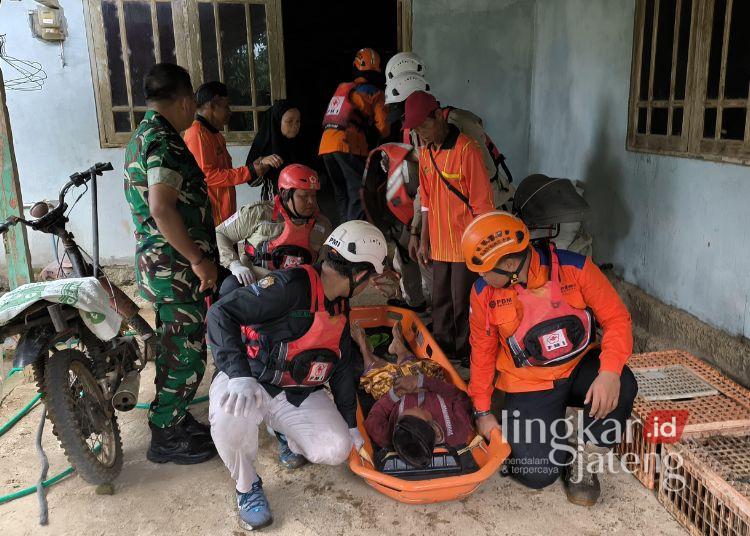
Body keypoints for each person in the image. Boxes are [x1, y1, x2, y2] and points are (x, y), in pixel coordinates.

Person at [206, 220, 387, 531]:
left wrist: (350, 424)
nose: (369, 285)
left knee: (335, 448)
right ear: (359, 275)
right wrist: (237, 374)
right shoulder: (290, 287)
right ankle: (247, 488)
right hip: (252, 380)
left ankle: (283, 433)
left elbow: (341, 366)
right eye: (370, 277)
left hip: (296, 390)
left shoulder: (340, 304)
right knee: (229, 418)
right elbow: (220, 313)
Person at [461, 211, 637, 506]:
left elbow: (618, 319)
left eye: (483, 271)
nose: (480, 278)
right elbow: (482, 350)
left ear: (509, 264)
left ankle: (586, 460)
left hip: (578, 366)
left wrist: (609, 373)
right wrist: (482, 411)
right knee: (535, 474)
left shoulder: (576, 268)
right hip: (527, 382)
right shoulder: (483, 294)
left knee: (624, 383)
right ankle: (548, 442)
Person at [123, 63, 217, 464]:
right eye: (192, 105)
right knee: (187, 350)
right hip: (176, 270)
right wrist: (197, 259)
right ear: (184, 101)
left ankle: (173, 419)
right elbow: (162, 208)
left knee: (172, 347)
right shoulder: (163, 141)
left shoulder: (139, 138)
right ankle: (165, 436)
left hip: (162, 267)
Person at [403, 90, 495, 368]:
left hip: (466, 246)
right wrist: (423, 240)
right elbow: (427, 202)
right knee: (440, 302)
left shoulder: (467, 150)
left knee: (463, 304)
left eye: (425, 126)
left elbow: (483, 205)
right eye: (416, 130)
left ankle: (467, 354)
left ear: (438, 115)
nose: (422, 133)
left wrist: (484, 250)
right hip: (440, 245)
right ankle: (443, 352)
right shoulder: (426, 153)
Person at [351, 322, 473, 464]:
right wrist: (422, 382)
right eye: (416, 410)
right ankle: (399, 348)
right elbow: (459, 397)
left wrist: (394, 395)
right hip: (428, 385)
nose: (414, 406)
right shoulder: (458, 431)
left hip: (395, 389)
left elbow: (372, 422)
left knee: (376, 376)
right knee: (418, 367)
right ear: (436, 429)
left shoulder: (396, 436)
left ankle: (365, 349)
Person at [215, 164, 332, 297]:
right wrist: (234, 264)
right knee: (230, 287)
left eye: (314, 195)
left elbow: (326, 266)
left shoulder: (323, 225)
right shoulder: (258, 212)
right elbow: (220, 233)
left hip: (298, 287)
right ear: (284, 193)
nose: (311, 202)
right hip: (257, 281)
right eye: (304, 196)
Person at [184, 81, 270, 225]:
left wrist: (252, 168)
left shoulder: (215, 134)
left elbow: (225, 173)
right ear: (212, 105)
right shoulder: (196, 134)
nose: (229, 111)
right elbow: (208, 176)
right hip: (211, 219)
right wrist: (249, 172)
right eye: (226, 106)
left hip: (225, 215)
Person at [319, 48, 390, 222]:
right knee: (358, 191)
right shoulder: (376, 93)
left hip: (326, 146)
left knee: (341, 192)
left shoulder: (342, 88)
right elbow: (384, 128)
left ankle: (345, 228)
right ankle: (356, 232)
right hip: (347, 145)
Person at [361, 142, 427, 313]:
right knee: (406, 256)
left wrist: (415, 231)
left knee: (423, 260)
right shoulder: (393, 153)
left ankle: (430, 309)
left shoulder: (413, 153)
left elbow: (423, 199)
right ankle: (416, 302)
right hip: (408, 218)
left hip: (423, 216)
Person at [245, 99, 303, 201]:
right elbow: (252, 182)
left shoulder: (303, 144)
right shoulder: (265, 144)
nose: (295, 126)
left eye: (298, 121)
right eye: (289, 121)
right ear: (278, 121)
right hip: (273, 204)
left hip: (300, 203)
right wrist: (262, 162)